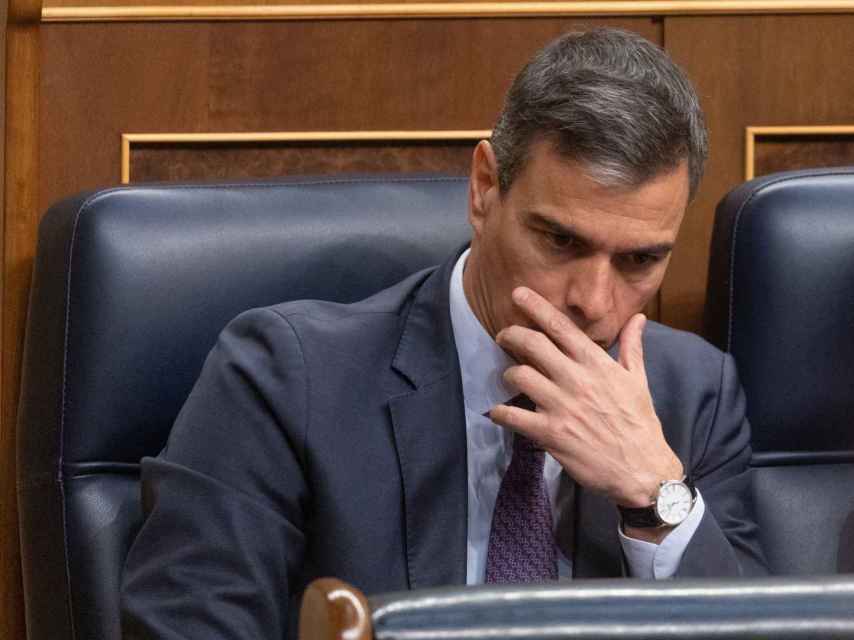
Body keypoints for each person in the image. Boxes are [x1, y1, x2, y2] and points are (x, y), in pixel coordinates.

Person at [121, 28, 767, 639]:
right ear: (485, 189)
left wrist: (656, 496)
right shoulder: (288, 381)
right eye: (561, 240)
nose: (593, 302)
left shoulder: (692, 398)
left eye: (639, 261)